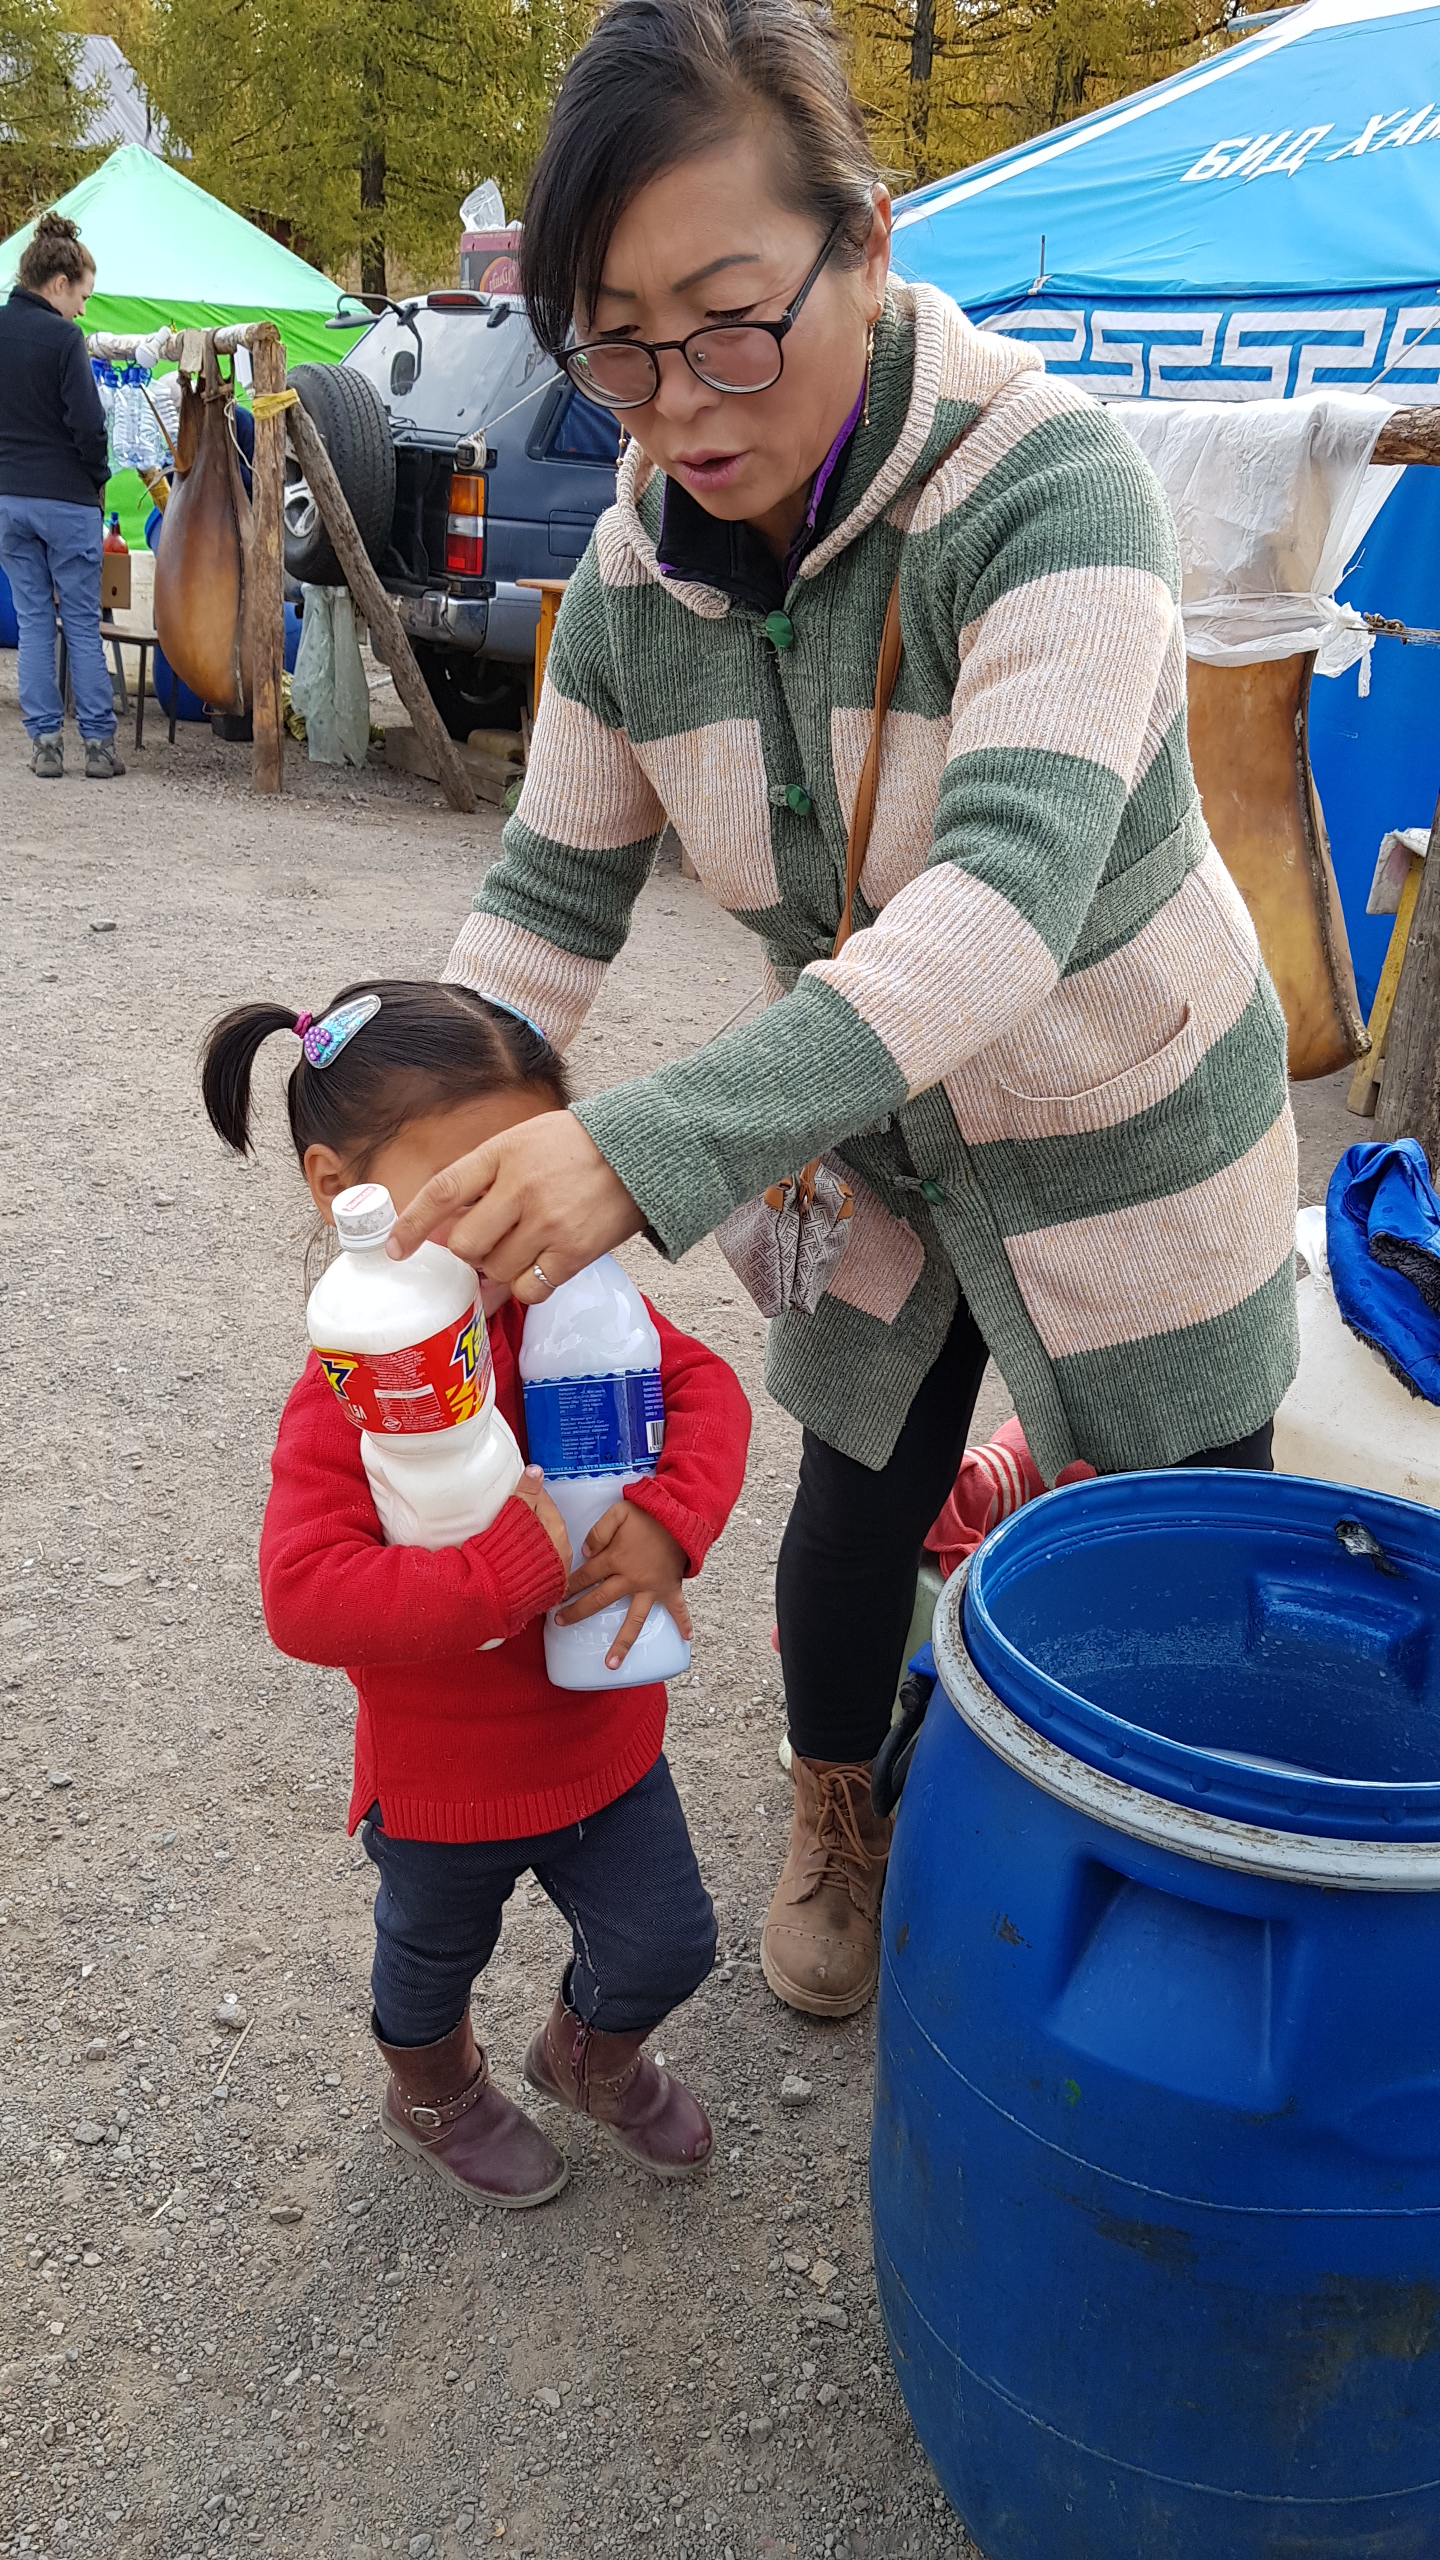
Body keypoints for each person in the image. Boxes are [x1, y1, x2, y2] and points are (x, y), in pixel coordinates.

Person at [388, 0, 1300, 2024]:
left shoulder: (1055, 493)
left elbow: (1000, 914)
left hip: (1126, 1106)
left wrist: (635, 1150)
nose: (679, 406)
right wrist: (405, 1129)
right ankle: (842, 1808)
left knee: (1184, 1521)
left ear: (866, 244)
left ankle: (1171, 1871)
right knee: (855, 1497)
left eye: (731, 323)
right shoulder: (633, 587)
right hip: (871, 1127)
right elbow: (545, 899)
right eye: (614, 347)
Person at [201, 981, 751, 2207]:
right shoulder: (356, 1391)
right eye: (465, 1191)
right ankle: (435, 2091)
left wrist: (669, 1523)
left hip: (607, 1737)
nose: (508, 1228)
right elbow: (304, 1592)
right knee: (428, 1965)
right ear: (340, 1187)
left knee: (670, 1942)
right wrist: (505, 1571)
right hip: (441, 1781)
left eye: (531, 1181)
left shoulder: (573, 1303)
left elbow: (706, 1389)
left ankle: (590, 2055)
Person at [0, 209, 124, 780]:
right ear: (58, 284)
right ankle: (97, 745)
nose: (82, 309)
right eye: (83, 296)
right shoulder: (65, 338)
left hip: (8, 498)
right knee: (79, 622)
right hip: (67, 500)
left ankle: (45, 744)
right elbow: (89, 426)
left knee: (32, 622)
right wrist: (98, 476)